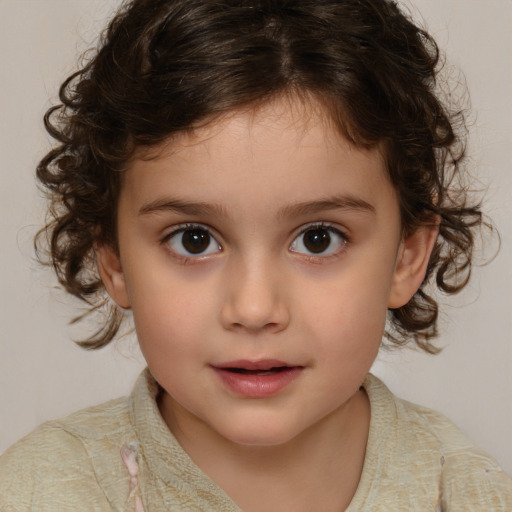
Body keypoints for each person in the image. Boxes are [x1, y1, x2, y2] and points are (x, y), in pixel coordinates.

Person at [1, 0, 510, 509]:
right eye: (194, 240)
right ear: (113, 259)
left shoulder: (471, 495)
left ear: (406, 256)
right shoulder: (34, 493)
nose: (254, 308)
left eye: (318, 239)